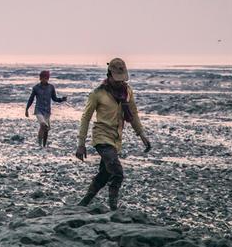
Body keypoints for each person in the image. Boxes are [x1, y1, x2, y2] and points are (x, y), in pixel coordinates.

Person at [75, 58, 151, 210]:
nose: (120, 83)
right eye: (117, 80)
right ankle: (113, 208)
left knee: (105, 174)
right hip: (102, 138)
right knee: (117, 173)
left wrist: (142, 135)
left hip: (116, 139)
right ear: (109, 75)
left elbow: (133, 114)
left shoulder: (127, 92)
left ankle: (83, 204)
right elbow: (86, 118)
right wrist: (80, 144)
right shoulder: (98, 93)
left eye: (122, 79)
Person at [25, 70, 67, 147]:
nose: (44, 79)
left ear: (48, 78)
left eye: (45, 78)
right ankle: (39, 144)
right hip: (39, 110)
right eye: (42, 78)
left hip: (47, 111)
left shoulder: (51, 87)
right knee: (43, 125)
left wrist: (61, 99)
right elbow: (31, 99)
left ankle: (44, 145)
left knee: (46, 129)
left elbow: (54, 98)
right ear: (40, 78)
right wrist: (27, 109)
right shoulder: (36, 88)